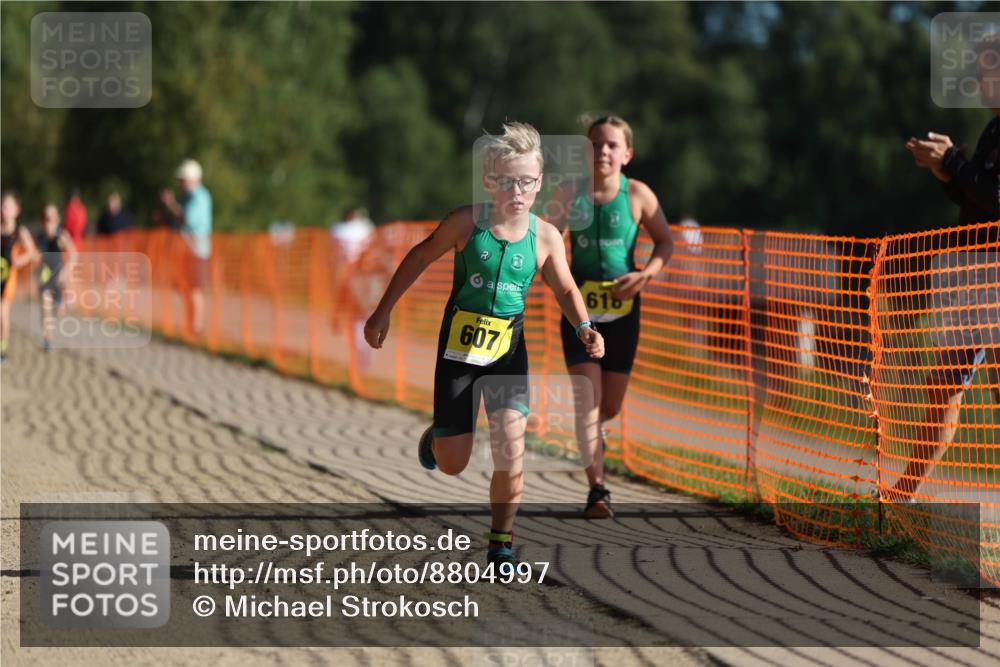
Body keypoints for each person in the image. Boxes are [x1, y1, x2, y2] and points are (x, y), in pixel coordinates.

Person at [364, 122, 605, 565]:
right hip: (458, 351)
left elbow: (567, 290)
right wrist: (383, 311)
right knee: (454, 462)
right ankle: (437, 439)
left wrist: (585, 326)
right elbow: (419, 256)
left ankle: (501, 543)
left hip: (509, 353)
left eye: (528, 181)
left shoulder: (546, 236)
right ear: (491, 180)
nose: (518, 191)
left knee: (511, 448)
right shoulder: (465, 222)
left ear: (538, 183)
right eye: (509, 181)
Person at [548, 115, 674, 518]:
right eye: (596, 144)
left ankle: (595, 434)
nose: (603, 151)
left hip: (623, 311)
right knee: (588, 401)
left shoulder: (638, 195)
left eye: (611, 145)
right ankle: (598, 491)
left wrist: (645, 275)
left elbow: (665, 242)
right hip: (579, 313)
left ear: (627, 154)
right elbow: (547, 246)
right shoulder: (568, 194)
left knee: (610, 406)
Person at [891, 35, 1000, 502]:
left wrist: (953, 161)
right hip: (976, 271)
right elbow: (979, 198)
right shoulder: (995, 130)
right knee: (943, 384)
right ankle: (901, 494)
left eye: (988, 68)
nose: (979, 78)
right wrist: (945, 172)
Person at [160, 159, 213, 336]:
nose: (180, 183)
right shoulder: (187, 197)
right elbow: (178, 222)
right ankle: (190, 324)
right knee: (185, 287)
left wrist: (170, 204)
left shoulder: (199, 197)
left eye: (183, 180)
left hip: (197, 250)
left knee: (194, 288)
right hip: (186, 250)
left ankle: (196, 327)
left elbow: (186, 219)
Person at [1, 191, 40, 362]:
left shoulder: (20, 232)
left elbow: (34, 253)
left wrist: (18, 260)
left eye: (9, 206)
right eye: (3, 206)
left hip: (9, 278)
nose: (4, 210)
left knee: (2, 313)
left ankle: (2, 349)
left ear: (17, 210)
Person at [35, 203, 77, 352]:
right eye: (46, 218)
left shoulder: (61, 236)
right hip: (45, 277)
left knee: (56, 312)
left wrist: (65, 272)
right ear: (42, 220)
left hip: (59, 278)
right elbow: (36, 257)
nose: (48, 221)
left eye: (51, 218)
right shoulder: (39, 238)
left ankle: (63, 303)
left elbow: (74, 256)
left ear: (57, 220)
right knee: (45, 308)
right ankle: (48, 340)